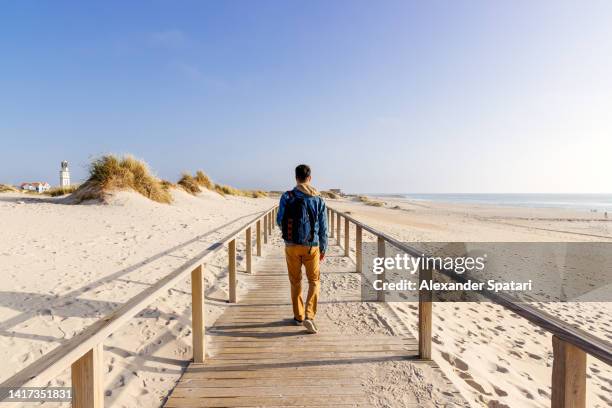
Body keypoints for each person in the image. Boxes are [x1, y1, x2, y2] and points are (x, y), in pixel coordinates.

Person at [276, 164, 328, 334]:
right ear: (310, 178)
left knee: (295, 281)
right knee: (314, 281)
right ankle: (309, 315)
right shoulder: (318, 199)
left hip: (291, 246)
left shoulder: (287, 196)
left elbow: (279, 220)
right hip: (311, 247)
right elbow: (323, 228)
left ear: (296, 178)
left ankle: (298, 316)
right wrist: (323, 248)